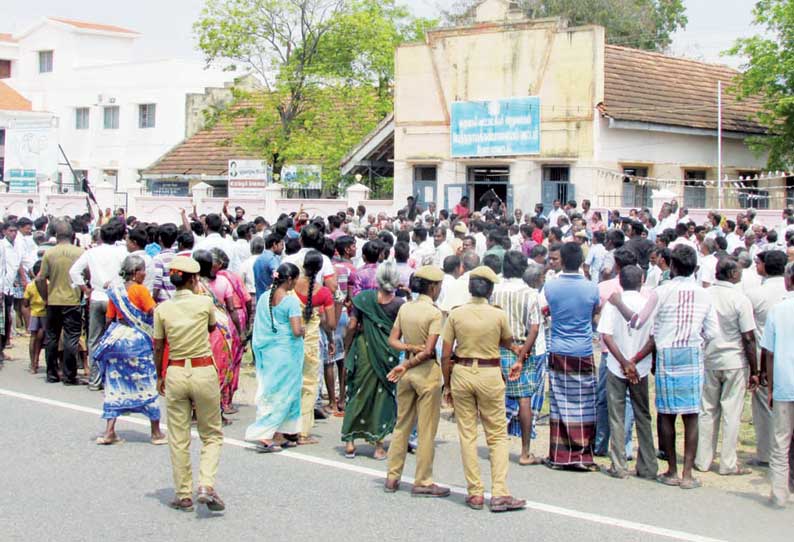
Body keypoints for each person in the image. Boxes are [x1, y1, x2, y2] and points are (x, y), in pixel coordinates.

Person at [610, 245, 718, 489]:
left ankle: (671, 469)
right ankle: (688, 475)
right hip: (691, 352)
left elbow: (637, 322)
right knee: (691, 415)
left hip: (667, 353)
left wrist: (618, 304)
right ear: (694, 268)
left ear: (673, 266)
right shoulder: (704, 294)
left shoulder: (661, 292)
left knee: (666, 414)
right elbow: (712, 332)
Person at [441, 266, 526, 513]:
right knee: (497, 434)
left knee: (467, 434)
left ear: (470, 289)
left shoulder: (457, 315)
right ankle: (499, 492)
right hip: (489, 374)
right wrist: (518, 353)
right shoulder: (498, 315)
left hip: (462, 372)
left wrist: (447, 384)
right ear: (490, 290)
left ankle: (475, 492)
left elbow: (446, 354)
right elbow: (509, 342)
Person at [153, 256, 225, 512]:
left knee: (179, 435)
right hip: (203, 369)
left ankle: (183, 493)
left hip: (175, 371)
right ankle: (206, 484)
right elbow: (211, 328)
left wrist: (159, 375)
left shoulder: (162, 309)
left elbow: (159, 345)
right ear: (194, 279)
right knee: (211, 434)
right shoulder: (204, 302)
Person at [383, 265, 449, 497]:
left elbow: (393, 340)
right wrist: (409, 361)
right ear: (432, 287)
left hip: (406, 370)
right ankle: (423, 479)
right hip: (424, 371)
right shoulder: (434, 313)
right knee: (426, 429)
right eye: (439, 286)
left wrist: (407, 352)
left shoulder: (406, 308)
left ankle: (393, 475)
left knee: (402, 424)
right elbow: (429, 350)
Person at [94, 255, 167, 446]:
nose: (145, 273)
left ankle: (109, 431)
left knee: (115, 384)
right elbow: (154, 312)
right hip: (137, 341)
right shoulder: (140, 290)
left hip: (117, 338)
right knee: (147, 382)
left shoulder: (115, 291)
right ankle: (156, 432)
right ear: (135, 273)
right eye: (143, 270)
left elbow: (110, 318)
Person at [695, 257, 758, 476]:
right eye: (739, 271)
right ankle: (728, 463)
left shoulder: (706, 295)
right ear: (732, 274)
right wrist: (755, 370)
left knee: (707, 410)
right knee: (731, 412)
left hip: (709, 358)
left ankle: (702, 460)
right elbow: (748, 337)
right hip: (734, 361)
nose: (741, 274)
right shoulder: (740, 299)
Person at [596, 266, 658, 480]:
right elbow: (653, 338)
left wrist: (623, 361)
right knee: (643, 414)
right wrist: (634, 361)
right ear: (642, 280)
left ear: (620, 280)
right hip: (638, 367)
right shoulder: (647, 304)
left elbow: (606, 335)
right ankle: (648, 465)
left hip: (616, 365)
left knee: (617, 415)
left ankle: (619, 465)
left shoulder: (614, 304)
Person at [543, 242, 600, 470]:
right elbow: (593, 312)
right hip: (583, 350)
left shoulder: (551, 286)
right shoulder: (591, 287)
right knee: (585, 405)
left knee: (559, 404)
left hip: (558, 348)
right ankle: (583, 454)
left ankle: (560, 455)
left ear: (562, 261)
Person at [342, 261, 404, 459]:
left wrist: (347, 346)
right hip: (387, 352)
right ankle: (378, 446)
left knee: (357, 391)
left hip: (363, 349)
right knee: (382, 396)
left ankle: (350, 442)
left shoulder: (364, 298)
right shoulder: (399, 305)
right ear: (396, 281)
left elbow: (352, 325)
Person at [245, 262, 305, 452]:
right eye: (295, 279)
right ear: (289, 280)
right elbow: (296, 330)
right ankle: (264, 434)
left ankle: (278, 433)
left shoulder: (264, 297)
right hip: (285, 355)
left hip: (269, 353)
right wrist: (304, 329)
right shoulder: (290, 302)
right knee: (283, 393)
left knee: (271, 390)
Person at [493, 251, 544, 465]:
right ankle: (524, 452)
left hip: (500, 346)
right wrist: (522, 354)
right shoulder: (530, 293)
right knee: (524, 399)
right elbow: (534, 327)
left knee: (496, 398)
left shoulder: (495, 291)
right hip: (522, 347)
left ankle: (496, 446)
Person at [69, 222, 127, 389]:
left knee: (94, 339)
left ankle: (95, 380)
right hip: (114, 298)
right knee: (116, 338)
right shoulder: (121, 253)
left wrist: (85, 289)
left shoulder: (92, 252)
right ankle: (113, 379)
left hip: (96, 296)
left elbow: (74, 271)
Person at [746, 250, 789, 467]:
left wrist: (756, 369)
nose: (756, 266)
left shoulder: (756, 293)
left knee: (764, 407)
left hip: (767, 357)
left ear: (765, 266)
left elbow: (747, 328)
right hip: (785, 355)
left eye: (758, 263)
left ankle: (766, 453)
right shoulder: (786, 290)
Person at [294, 250, 336, 444]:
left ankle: (287, 427)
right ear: (320, 269)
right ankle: (303, 431)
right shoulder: (324, 293)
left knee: (291, 383)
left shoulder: (292, 286)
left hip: (291, 341)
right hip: (311, 342)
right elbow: (331, 323)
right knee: (309, 386)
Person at [762, 261, 794, 508]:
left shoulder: (779, 310)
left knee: (780, 442)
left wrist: (770, 387)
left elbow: (769, 353)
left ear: (788, 280)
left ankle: (780, 494)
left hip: (784, 384)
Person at [38, 219, 85, 385]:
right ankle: (69, 375)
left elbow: (40, 278)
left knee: (52, 338)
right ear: (72, 235)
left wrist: (45, 297)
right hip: (72, 300)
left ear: (56, 236)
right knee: (71, 338)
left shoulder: (49, 254)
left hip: (54, 300)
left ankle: (52, 374)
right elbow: (87, 275)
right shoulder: (80, 252)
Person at [23, 260, 46, 374]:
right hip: (45, 313)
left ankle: (33, 364)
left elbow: (25, 303)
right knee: (42, 339)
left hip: (34, 314)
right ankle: (37, 359)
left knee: (33, 338)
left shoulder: (30, 285)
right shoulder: (48, 283)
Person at [254, 233, 284, 302]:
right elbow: (276, 274)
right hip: (270, 299)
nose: (282, 248)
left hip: (260, 298)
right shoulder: (272, 259)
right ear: (274, 245)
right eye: (281, 245)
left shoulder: (259, 259)